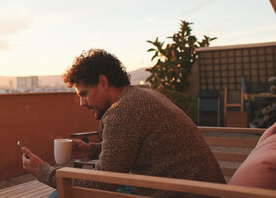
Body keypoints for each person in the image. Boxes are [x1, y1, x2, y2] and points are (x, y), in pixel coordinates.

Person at [21, 49, 225, 197]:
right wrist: (91, 150)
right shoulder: (142, 96)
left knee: (61, 196)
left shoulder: (122, 112)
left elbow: (100, 184)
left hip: (179, 194)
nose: (82, 103)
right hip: (200, 191)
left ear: (103, 82)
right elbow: (135, 145)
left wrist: (43, 171)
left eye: (84, 94)